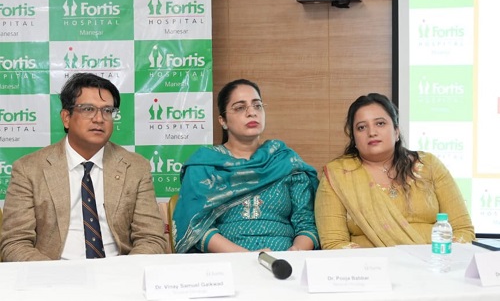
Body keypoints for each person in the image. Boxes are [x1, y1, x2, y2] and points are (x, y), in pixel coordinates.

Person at [0, 73, 167, 262]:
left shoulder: (135, 168)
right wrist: (52, 275)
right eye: (88, 109)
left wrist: (124, 272)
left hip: (118, 271)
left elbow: (151, 239)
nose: (99, 119)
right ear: (66, 117)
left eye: (107, 111)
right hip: (53, 272)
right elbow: (15, 243)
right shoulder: (28, 169)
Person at [173, 78, 320, 253]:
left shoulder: (285, 161)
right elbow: (197, 226)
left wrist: (295, 252)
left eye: (257, 106)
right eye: (240, 108)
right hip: (226, 262)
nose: (252, 113)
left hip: (285, 261)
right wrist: (245, 257)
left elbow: (307, 223)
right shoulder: (205, 166)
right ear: (223, 120)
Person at [315, 93, 475, 249]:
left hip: (436, 262)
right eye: (361, 127)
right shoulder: (338, 175)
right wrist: (377, 263)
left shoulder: (429, 165)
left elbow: (463, 229)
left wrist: (440, 257)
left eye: (380, 123)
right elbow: (334, 243)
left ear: (396, 131)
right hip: (370, 265)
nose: (372, 132)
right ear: (354, 139)